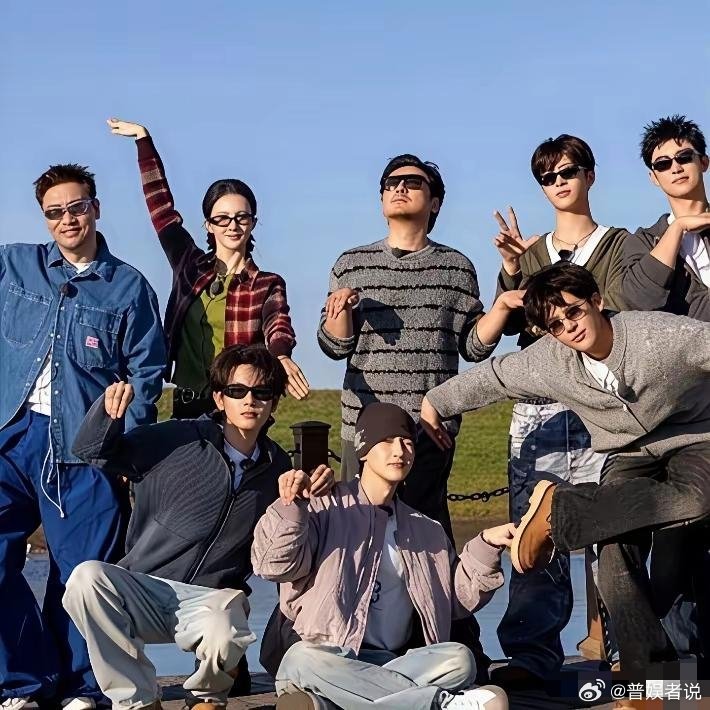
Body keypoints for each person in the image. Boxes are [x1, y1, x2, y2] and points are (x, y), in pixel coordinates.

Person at [421, 263, 710, 678]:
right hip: (628, 452)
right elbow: (496, 377)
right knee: (614, 551)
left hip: (695, 436)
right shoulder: (552, 360)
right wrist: (436, 402)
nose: (569, 327)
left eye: (573, 312)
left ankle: (562, 510)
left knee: (698, 500)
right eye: (555, 325)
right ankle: (647, 676)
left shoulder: (656, 336)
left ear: (596, 301)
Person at [63, 344, 334, 710]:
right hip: (145, 588)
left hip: (209, 603)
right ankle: (139, 700)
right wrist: (107, 413)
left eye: (261, 392)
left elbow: (282, 551)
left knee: (230, 612)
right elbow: (92, 451)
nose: (249, 400)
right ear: (220, 398)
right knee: (86, 579)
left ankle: (207, 697)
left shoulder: (277, 467)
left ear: (274, 403)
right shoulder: (177, 437)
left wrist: (312, 497)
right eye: (237, 391)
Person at [0, 164, 165, 710]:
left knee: (81, 577)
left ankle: (82, 686)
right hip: (11, 435)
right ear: (44, 219)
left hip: (84, 446)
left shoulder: (128, 287)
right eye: (55, 212)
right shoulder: (13, 265)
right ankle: (23, 682)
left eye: (77, 207)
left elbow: (147, 374)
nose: (67, 219)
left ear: (95, 208)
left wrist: (120, 445)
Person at [470, 135, 629, 684]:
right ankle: (532, 655)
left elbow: (623, 312)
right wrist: (513, 269)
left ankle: (620, 651)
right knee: (532, 532)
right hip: (538, 409)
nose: (559, 182)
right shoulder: (532, 254)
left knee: (614, 533)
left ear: (590, 175)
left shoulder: (618, 245)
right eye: (548, 176)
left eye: (568, 171)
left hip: (602, 404)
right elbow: (513, 324)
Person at [252, 402, 511, 710]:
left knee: (460, 659)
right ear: (363, 450)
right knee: (301, 660)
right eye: (386, 441)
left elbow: (454, 602)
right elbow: (273, 566)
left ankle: (332, 703)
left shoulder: (427, 530)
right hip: (330, 655)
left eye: (407, 442)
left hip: (397, 662)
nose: (399, 451)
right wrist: (292, 507)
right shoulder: (325, 508)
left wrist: (486, 545)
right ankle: (438, 704)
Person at [317, 153, 494, 541]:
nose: (399, 188)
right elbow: (334, 346)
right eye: (390, 183)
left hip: (429, 430)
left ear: (435, 203)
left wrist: (502, 308)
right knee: (358, 539)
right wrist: (339, 310)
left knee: (426, 543)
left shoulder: (457, 267)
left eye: (413, 182)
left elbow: (473, 347)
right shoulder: (351, 264)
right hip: (363, 427)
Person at [106, 118, 309, 417]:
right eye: (222, 218)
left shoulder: (267, 284)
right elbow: (161, 207)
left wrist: (280, 354)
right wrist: (143, 141)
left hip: (237, 404)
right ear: (209, 225)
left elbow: (278, 324)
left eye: (241, 217)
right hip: (187, 402)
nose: (232, 225)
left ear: (253, 223)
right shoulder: (189, 265)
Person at [621, 114, 710, 319]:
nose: (676, 168)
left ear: (704, 162)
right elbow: (638, 299)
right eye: (663, 164)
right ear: (654, 177)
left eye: (684, 157)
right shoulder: (643, 241)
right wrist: (678, 227)